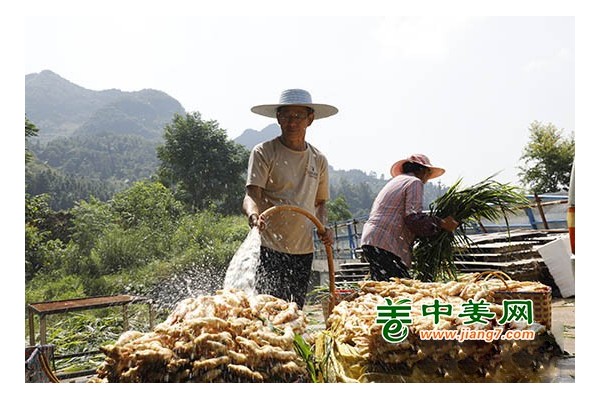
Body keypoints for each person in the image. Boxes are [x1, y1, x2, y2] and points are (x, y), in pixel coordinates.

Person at [242, 88, 337, 308]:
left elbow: (320, 203)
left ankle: (291, 344)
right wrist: (254, 215)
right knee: (266, 311)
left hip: (302, 250)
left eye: (298, 116)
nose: (291, 122)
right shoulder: (264, 152)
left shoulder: (318, 159)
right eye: (285, 116)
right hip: (269, 247)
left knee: (294, 310)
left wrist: (323, 227)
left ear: (310, 119)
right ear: (278, 118)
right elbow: (251, 194)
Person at [360, 154, 459, 281]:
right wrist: (442, 223)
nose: (427, 179)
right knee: (400, 287)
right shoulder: (414, 182)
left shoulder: (398, 181)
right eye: (428, 174)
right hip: (385, 243)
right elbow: (413, 219)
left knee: (383, 286)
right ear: (423, 171)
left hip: (372, 240)